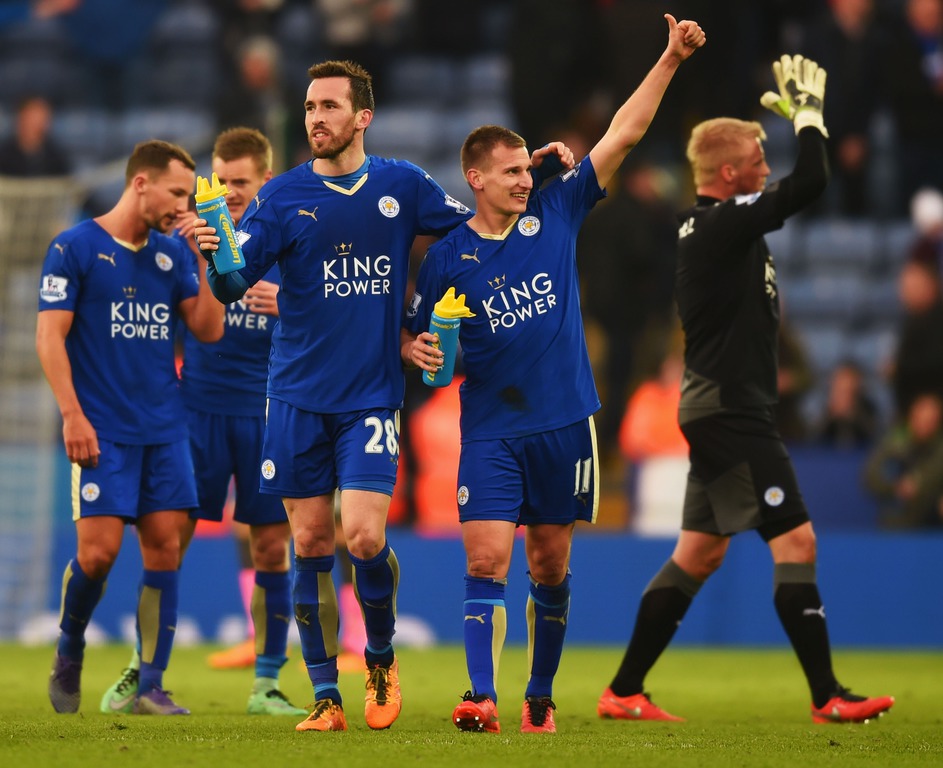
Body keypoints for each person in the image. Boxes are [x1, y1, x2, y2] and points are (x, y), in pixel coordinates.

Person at [196, 59, 574, 733]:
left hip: (370, 398)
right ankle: (323, 696)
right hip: (293, 397)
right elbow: (229, 288)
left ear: (362, 117)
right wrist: (217, 249)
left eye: (330, 107)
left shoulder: (403, 185)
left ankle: (376, 655)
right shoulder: (282, 197)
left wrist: (535, 179)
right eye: (310, 107)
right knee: (309, 540)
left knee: (362, 537)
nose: (316, 118)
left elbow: (476, 228)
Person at [401, 14, 706, 734]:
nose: (521, 179)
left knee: (547, 563)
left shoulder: (557, 208)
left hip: (565, 422)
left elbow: (622, 135)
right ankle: (481, 696)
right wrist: (423, 348)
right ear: (474, 179)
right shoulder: (445, 257)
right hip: (491, 428)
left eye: (522, 170)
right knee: (484, 554)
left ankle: (539, 695)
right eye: (508, 173)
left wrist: (666, 60)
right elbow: (434, 354)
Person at [597, 54, 895, 724]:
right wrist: (811, 117)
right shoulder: (719, 225)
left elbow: (792, 184)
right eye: (758, 156)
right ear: (728, 175)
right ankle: (826, 696)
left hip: (719, 408)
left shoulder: (720, 228)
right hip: (731, 412)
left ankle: (622, 690)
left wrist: (795, 125)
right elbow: (812, 180)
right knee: (797, 544)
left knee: (698, 554)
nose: (767, 165)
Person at [97, 127, 308, 717]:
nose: (230, 192)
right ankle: (144, 673)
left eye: (241, 181)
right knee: (168, 542)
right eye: (221, 180)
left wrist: (290, 301)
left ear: (266, 179)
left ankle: (266, 683)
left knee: (271, 547)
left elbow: (332, 316)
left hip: (268, 411)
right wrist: (188, 252)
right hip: (197, 410)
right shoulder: (181, 240)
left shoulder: (291, 239)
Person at [37, 139, 224, 715]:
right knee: (98, 554)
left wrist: (207, 258)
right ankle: (69, 649)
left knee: (165, 548)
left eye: (188, 196)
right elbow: (50, 337)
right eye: (175, 192)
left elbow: (209, 330)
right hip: (102, 430)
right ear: (140, 183)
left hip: (165, 430)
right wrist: (72, 414)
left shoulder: (171, 255)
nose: (182, 205)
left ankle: (149, 684)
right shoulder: (75, 247)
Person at [863, 391, 943, 528]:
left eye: (931, 421)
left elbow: (935, 471)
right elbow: (871, 476)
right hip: (897, 523)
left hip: (933, 523)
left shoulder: (940, 448)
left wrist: (918, 483)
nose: (925, 425)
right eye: (921, 419)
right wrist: (895, 486)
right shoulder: (895, 441)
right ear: (912, 417)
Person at [0, 95, 71, 177]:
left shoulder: (56, 158)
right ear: (20, 118)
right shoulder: (3, 157)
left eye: (42, 118)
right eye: (32, 117)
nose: (37, 124)